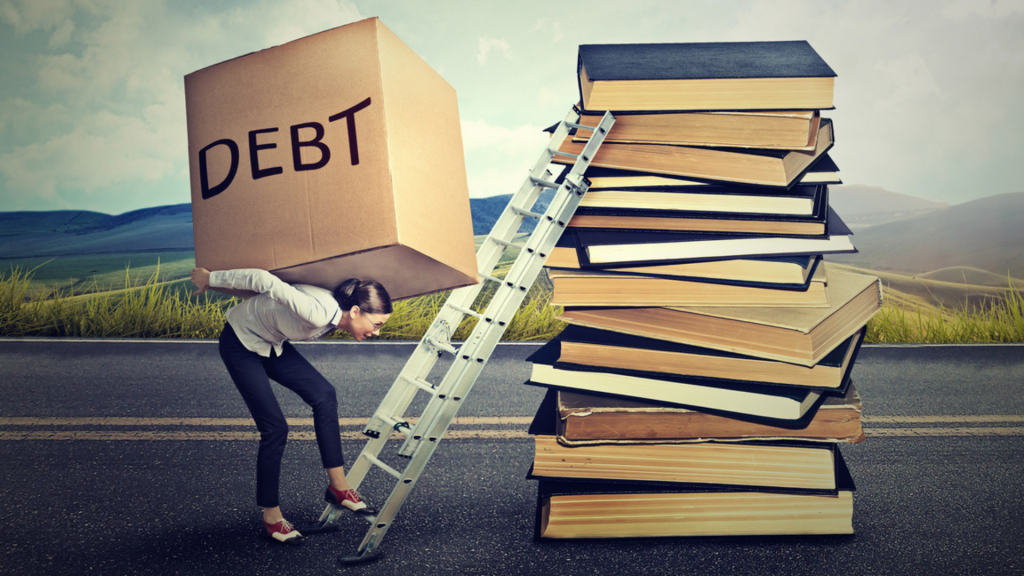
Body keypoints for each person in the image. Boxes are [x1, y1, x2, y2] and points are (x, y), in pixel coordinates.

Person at [191, 266, 392, 545]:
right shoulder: (320, 312)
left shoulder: (335, 314)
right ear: (356, 311)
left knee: (324, 394)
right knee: (275, 429)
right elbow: (263, 280)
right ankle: (271, 519)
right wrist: (210, 279)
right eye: (377, 324)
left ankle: (339, 489)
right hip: (241, 345)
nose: (377, 332)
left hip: (273, 343)